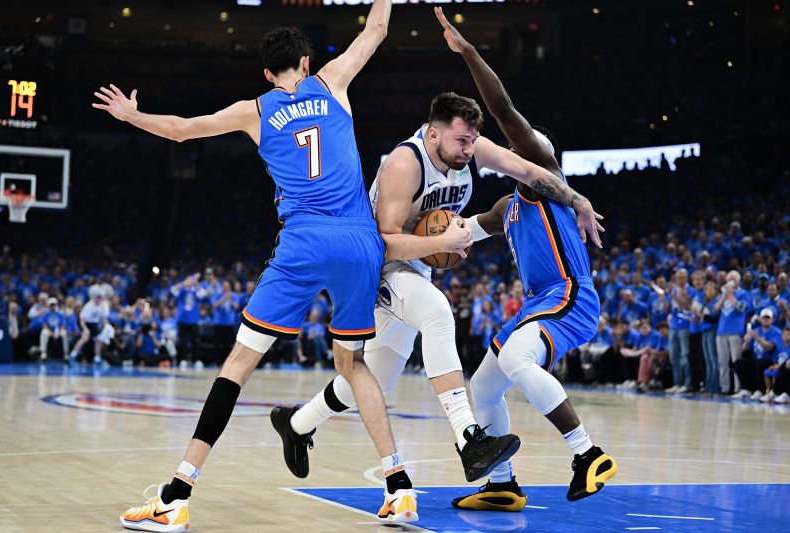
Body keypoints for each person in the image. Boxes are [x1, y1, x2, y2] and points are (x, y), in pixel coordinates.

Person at [96, 2, 422, 528]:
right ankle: (399, 484)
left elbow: (181, 129)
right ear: (308, 63)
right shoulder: (334, 81)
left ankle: (176, 495)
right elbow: (379, 28)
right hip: (362, 242)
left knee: (239, 365)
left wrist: (132, 116)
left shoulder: (255, 109)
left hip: (306, 241)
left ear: (268, 73)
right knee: (353, 364)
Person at [275, 87, 604, 489]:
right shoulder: (404, 164)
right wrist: (442, 244)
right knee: (436, 311)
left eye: (472, 142)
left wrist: (579, 199)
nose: (468, 150)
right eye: (461, 141)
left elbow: (531, 171)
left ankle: (296, 423)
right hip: (374, 265)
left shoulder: (468, 147)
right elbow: (385, 241)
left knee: (379, 376)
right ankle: (469, 439)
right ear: (434, 134)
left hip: (414, 265)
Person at [434, 8, 616, 511]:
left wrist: (468, 52)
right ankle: (503, 484)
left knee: (515, 359)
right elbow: (461, 232)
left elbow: (504, 109)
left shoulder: (543, 183)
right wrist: (418, 240)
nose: (519, 151)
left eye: (527, 148)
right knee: (484, 385)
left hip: (570, 295)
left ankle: (587, 454)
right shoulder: (507, 207)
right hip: (540, 302)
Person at [714, 270, 752, 394]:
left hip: (736, 331)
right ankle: (724, 388)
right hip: (721, 332)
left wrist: (730, 296)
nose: (730, 281)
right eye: (729, 278)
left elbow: (742, 309)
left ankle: (738, 388)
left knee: (736, 362)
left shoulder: (743, 294)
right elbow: (715, 309)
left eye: (733, 278)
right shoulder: (723, 293)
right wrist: (724, 296)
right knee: (722, 362)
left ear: (738, 281)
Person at [732, 308, 782, 400]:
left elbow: (769, 347)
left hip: (769, 360)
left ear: (772, 320)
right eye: (764, 318)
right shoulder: (756, 330)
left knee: (760, 363)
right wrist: (746, 342)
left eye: (768, 318)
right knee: (738, 363)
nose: (766, 320)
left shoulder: (776, 332)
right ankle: (746, 389)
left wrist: (757, 337)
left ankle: (760, 390)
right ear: (760, 319)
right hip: (756, 359)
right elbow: (744, 350)